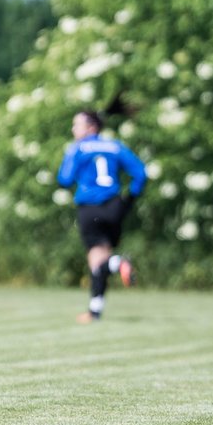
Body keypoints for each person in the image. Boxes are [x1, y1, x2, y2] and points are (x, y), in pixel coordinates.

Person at [56, 109, 146, 324]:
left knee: (98, 263)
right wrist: (129, 200)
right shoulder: (115, 146)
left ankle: (119, 263)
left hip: (90, 208)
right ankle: (94, 312)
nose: (73, 129)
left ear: (91, 128)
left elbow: (64, 179)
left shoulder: (77, 148)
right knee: (101, 262)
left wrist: (71, 155)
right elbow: (140, 173)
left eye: (77, 124)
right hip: (115, 207)